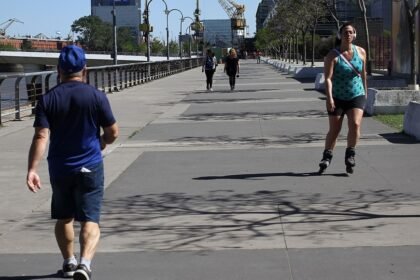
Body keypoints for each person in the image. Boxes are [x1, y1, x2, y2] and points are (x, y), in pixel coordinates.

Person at [26, 45, 119, 280]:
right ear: (84, 70)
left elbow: (41, 136)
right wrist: (102, 142)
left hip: (60, 167)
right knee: (90, 218)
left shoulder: (47, 99)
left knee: (64, 217)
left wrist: (32, 169)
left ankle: (69, 262)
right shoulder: (97, 96)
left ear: (59, 70)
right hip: (90, 165)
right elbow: (113, 132)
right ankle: (85, 264)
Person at [318, 22, 367, 174]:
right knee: (335, 129)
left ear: (355, 34)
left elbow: (364, 74)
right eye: (345, 32)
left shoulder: (361, 52)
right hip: (337, 97)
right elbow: (328, 79)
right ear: (340, 35)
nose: (348, 34)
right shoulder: (333, 55)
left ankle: (350, 155)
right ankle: (327, 156)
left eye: (351, 32)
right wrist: (329, 98)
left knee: (355, 124)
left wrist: (365, 92)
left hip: (356, 95)